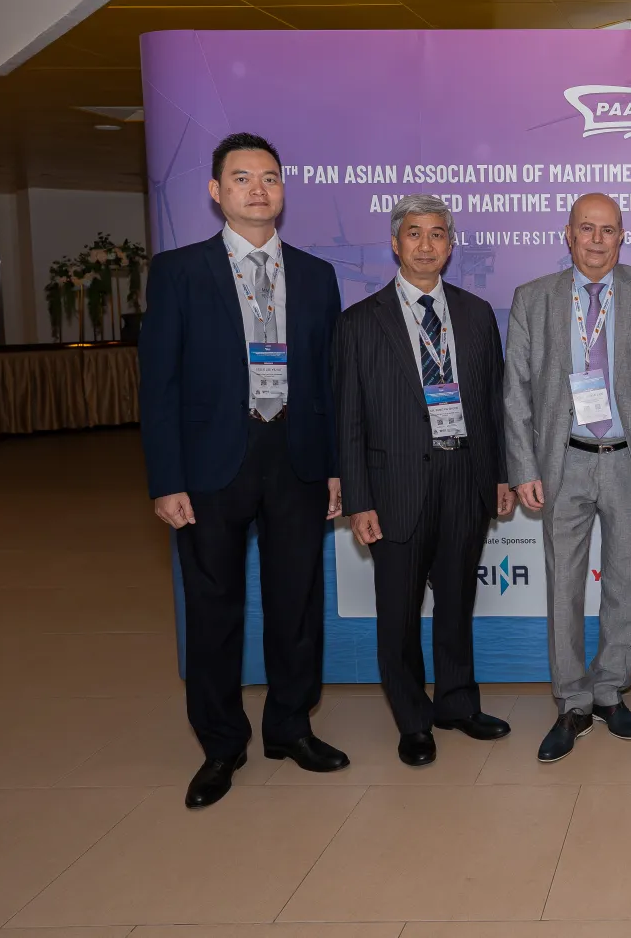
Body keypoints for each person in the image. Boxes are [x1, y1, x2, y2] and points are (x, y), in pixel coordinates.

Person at [139, 131, 349, 809]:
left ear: (283, 190)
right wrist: (166, 480)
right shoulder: (179, 272)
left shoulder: (315, 275)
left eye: (270, 178)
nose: (258, 190)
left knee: (297, 604)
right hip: (210, 465)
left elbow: (330, 382)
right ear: (215, 191)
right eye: (241, 178)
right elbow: (158, 384)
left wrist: (336, 468)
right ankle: (222, 744)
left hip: (296, 458)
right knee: (212, 609)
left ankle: (290, 727)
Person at [334, 194, 514, 767]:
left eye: (437, 234)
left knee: (457, 603)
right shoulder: (360, 322)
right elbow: (348, 418)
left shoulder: (477, 313)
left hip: (465, 478)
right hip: (395, 488)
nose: (426, 245)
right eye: (414, 233)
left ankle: (457, 704)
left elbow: (493, 404)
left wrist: (501, 476)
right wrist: (359, 500)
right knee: (399, 612)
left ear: (450, 245)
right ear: (395, 243)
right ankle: (413, 720)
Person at [504, 193, 631, 763]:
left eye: (608, 230)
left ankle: (610, 691)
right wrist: (524, 468)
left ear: (622, 236)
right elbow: (515, 392)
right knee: (564, 586)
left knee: (626, 580)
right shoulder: (533, 298)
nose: (597, 240)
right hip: (564, 460)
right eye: (586, 229)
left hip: (630, 458)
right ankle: (572, 700)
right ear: (568, 234)